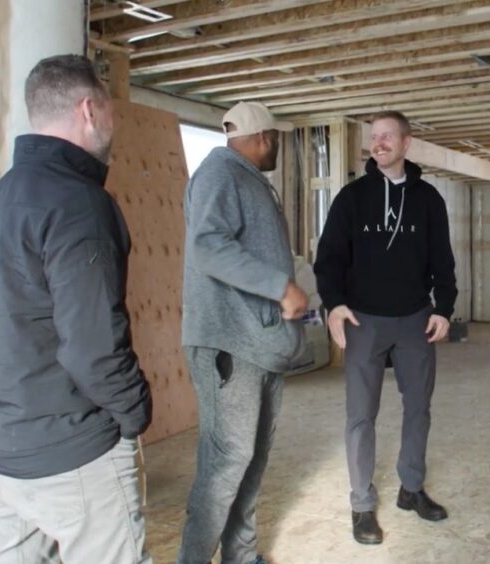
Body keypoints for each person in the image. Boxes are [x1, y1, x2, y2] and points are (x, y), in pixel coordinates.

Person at [0, 54, 152, 563]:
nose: (113, 118)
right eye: (109, 104)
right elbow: (93, 347)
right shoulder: (78, 204)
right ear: (89, 109)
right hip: (73, 452)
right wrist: (135, 412)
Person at [314, 110, 457, 545]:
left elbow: (442, 260)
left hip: (415, 318)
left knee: (419, 408)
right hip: (364, 319)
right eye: (373, 138)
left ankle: (411, 489)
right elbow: (330, 259)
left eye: (387, 137)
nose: (378, 144)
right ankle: (361, 505)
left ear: (406, 143)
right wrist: (335, 305)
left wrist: (444, 308)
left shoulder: (429, 199)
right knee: (361, 416)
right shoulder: (351, 197)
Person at [178, 101, 311, 564]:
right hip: (229, 346)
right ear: (263, 138)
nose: (277, 146)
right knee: (226, 461)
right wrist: (280, 286)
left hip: (259, 345)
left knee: (251, 459)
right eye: (276, 138)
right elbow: (208, 247)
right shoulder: (221, 174)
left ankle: (241, 555)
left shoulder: (248, 179)